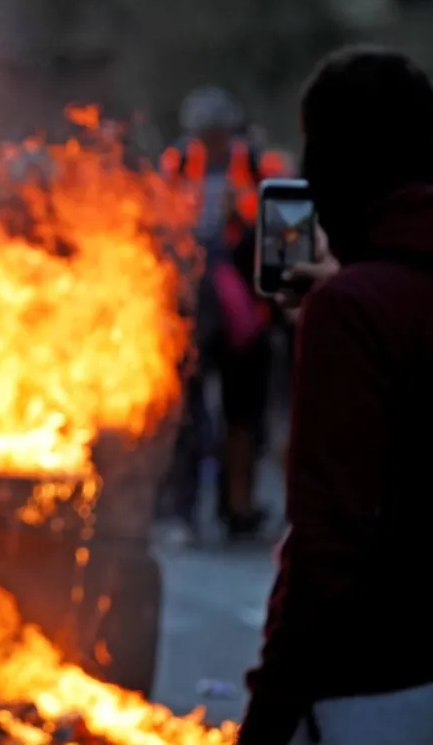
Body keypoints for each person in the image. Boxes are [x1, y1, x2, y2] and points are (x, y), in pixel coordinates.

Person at [240, 46, 433, 745]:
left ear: (332, 158)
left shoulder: (353, 311)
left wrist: (268, 715)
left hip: (385, 693)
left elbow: (326, 545)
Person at [157, 87, 285, 539]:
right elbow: (155, 223)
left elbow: (284, 229)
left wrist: (242, 217)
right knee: (186, 417)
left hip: (247, 312)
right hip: (191, 309)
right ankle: (182, 511)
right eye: (203, 134)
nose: (209, 142)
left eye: (217, 133)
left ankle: (239, 509)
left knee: (244, 418)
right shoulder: (173, 164)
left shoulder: (260, 165)